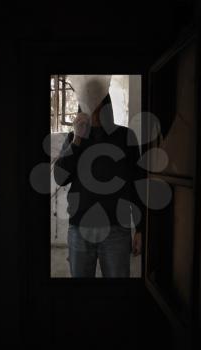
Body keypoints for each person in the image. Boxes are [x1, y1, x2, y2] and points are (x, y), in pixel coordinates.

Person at [54, 92, 146, 277]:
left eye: (99, 104)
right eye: (89, 105)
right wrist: (77, 140)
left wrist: (141, 229)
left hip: (116, 229)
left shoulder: (125, 136)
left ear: (107, 107)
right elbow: (60, 177)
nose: (94, 110)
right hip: (80, 229)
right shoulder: (75, 138)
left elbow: (138, 183)